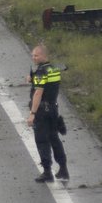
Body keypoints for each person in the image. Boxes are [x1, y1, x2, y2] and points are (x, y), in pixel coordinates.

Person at [26, 42, 68, 182]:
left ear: (44, 56)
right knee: (54, 139)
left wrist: (32, 113)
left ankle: (47, 172)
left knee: (42, 140)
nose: (33, 58)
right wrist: (33, 79)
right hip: (53, 109)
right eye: (33, 55)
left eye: (36, 55)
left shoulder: (40, 72)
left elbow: (38, 93)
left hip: (42, 112)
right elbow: (49, 84)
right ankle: (63, 169)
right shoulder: (54, 69)